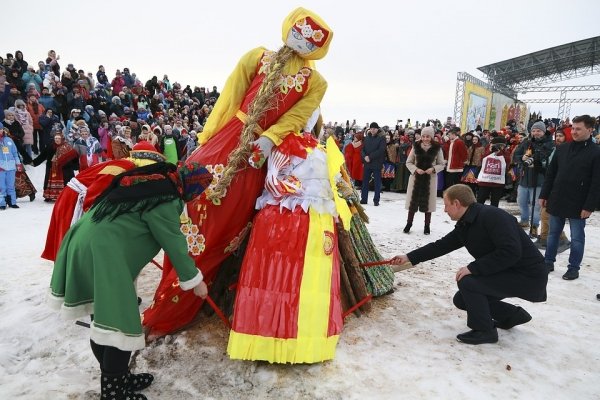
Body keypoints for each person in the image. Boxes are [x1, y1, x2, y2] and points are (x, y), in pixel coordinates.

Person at [142, 7, 334, 336]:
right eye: (298, 32)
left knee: (222, 231)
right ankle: (170, 290)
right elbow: (228, 99)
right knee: (187, 213)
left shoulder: (315, 82)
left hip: (256, 155)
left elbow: (295, 117)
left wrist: (269, 139)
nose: (300, 40)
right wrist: (208, 138)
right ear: (288, 27)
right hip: (226, 140)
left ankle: (178, 305)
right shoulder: (256, 57)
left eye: (309, 39)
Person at [49, 161, 213, 400]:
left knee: (102, 320)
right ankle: (114, 393)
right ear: (191, 187)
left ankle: (119, 378)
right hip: (104, 254)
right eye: (198, 193)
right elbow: (175, 244)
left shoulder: (151, 185)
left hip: (84, 244)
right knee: (118, 326)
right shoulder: (165, 199)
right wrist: (195, 281)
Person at [228, 134, 349, 363]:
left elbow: (333, 184)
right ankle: (268, 344)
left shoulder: (323, 149)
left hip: (316, 224)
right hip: (285, 222)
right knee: (277, 282)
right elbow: (272, 183)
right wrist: (296, 188)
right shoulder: (284, 144)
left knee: (312, 285)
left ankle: (306, 346)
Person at [391, 184, 547, 344]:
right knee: (462, 299)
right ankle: (511, 315)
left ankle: (484, 331)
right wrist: (409, 257)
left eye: (446, 205)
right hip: (509, 271)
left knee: (468, 282)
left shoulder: (492, 217)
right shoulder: (467, 222)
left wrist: (473, 268)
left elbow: (511, 252)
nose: (445, 210)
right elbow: (441, 246)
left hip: (528, 275)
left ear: (457, 203)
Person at [539, 114, 600, 280]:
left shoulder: (596, 152)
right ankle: (548, 261)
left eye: (578, 129)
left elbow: (596, 183)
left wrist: (589, 206)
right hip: (557, 197)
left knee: (577, 237)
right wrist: (544, 194)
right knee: (553, 233)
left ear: (590, 129)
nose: (574, 131)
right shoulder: (563, 148)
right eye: (573, 128)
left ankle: (573, 268)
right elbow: (551, 174)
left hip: (579, 203)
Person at [513, 121, 554, 236]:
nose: (536, 133)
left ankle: (535, 225)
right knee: (521, 201)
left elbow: (548, 160)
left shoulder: (550, 144)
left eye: (538, 131)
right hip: (524, 178)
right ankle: (524, 220)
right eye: (534, 131)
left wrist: (537, 162)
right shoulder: (526, 142)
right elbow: (516, 155)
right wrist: (522, 158)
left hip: (539, 179)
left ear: (543, 131)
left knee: (536, 205)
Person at [403, 126, 445, 234]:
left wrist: (433, 169)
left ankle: (427, 226)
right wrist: (416, 169)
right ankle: (409, 223)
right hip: (416, 178)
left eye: (428, 136)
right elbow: (408, 162)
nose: (425, 139)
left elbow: (441, 164)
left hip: (430, 179)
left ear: (431, 137)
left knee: (428, 204)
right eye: (423, 136)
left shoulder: (437, 148)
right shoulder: (415, 146)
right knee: (413, 203)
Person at [535, 129, 570, 252]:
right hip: (550, 184)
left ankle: (562, 238)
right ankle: (544, 237)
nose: (558, 138)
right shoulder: (554, 149)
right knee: (543, 212)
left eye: (561, 136)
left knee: (548, 214)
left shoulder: (567, 151)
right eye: (557, 136)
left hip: (559, 187)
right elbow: (549, 167)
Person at [360, 122, 385, 206]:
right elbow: (362, 149)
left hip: (376, 163)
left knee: (377, 182)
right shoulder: (367, 138)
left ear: (377, 129)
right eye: (371, 128)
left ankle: (376, 200)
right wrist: (365, 157)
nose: (373, 130)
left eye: (374, 128)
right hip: (367, 163)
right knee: (365, 182)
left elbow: (381, 150)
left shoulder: (381, 138)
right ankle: (364, 199)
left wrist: (370, 157)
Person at [1, 121, 24, 209]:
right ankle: (2, 203)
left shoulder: (9, 140)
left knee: (11, 186)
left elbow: (15, 153)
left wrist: (18, 163)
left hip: (11, 166)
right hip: (1, 167)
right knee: (2, 186)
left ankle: (12, 202)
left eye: (1, 129)